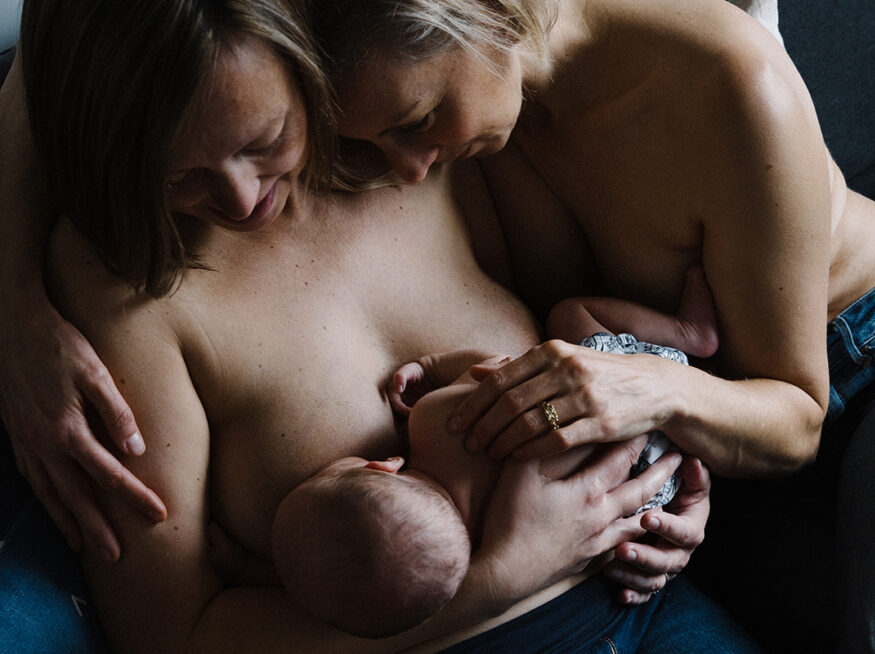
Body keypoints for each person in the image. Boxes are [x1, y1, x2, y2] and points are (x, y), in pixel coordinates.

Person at [0, 0, 765, 652]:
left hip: (649, 601)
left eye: (263, 142)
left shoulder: (416, 142)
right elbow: (172, 634)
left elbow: (593, 351)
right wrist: (499, 580)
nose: (238, 200)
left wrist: (656, 481)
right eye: (181, 175)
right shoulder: (120, 290)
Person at [309, 0, 875, 652]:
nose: (406, 168)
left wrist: (656, 390)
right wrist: (661, 496)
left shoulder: (724, 79)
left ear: (485, 11)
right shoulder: (482, 132)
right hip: (729, 442)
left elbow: (797, 417)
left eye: (417, 119)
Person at [275, 273, 717, 638]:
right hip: (632, 382)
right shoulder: (432, 421)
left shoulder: (491, 543)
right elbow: (506, 369)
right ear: (382, 464)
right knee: (568, 316)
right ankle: (687, 334)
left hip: (657, 484)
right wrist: (431, 367)